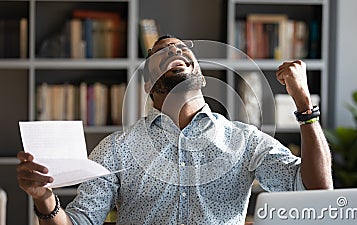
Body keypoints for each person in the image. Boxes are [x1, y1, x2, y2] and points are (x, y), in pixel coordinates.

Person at [16, 35, 333, 225]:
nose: (176, 52)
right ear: (147, 86)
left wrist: (306, 108)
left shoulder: (245, 141)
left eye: (183, 49)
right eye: (162, 53)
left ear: (202, 77)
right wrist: (44, 199)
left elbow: (317, 193)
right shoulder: (116, 149)